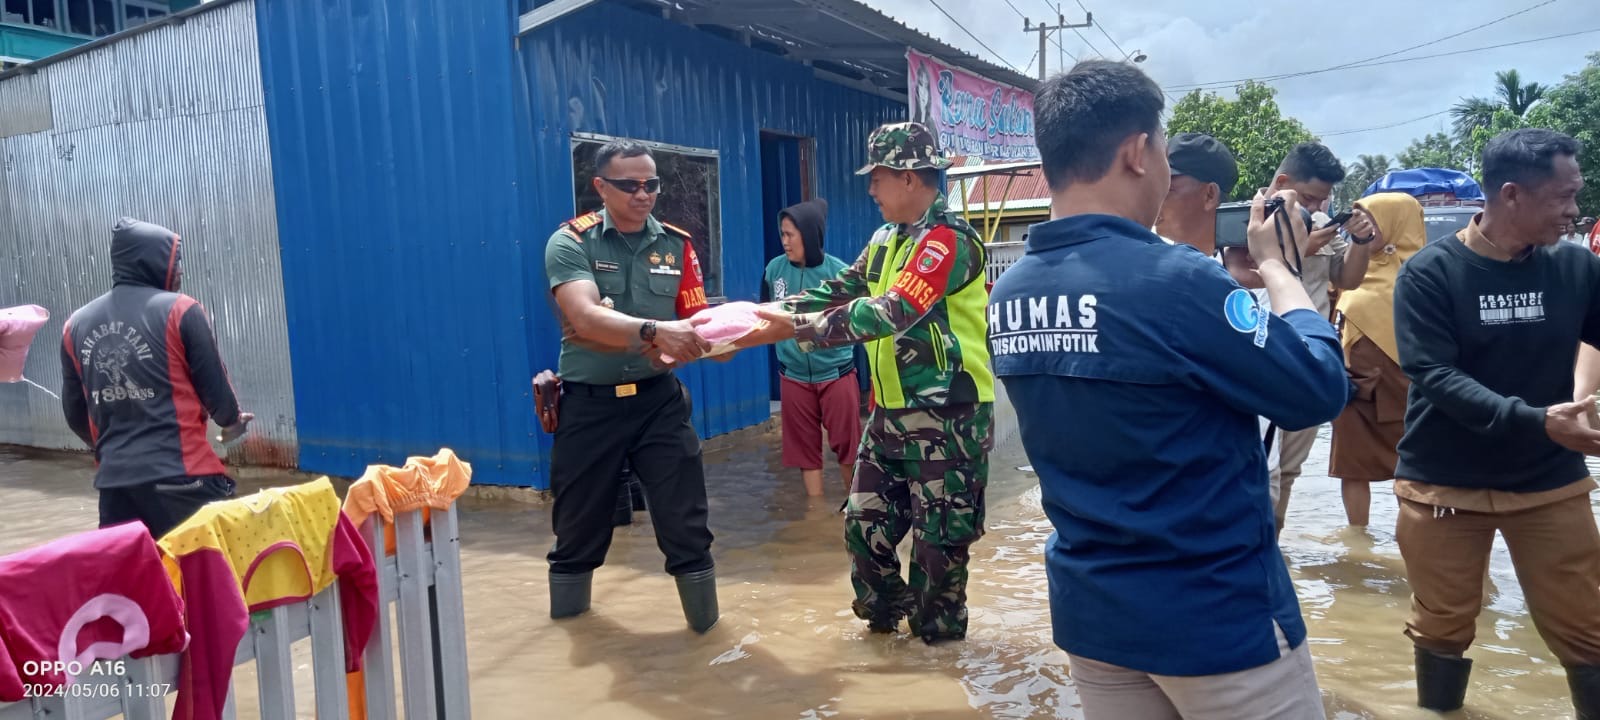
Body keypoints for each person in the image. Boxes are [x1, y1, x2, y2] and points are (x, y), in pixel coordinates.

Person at [990, 60, 1348, 719]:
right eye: (1161, 145)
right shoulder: (1175, 280)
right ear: (1136, 152)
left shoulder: (1011, 293)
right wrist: (1278, 269)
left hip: (1095, 617)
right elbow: (1318, 388)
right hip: (1215, 620)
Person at [738, 121, 994, 644]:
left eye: (876, 178)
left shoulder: (949, 241)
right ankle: (886, 636)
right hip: (888, 415)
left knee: (937, 552)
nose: (870, 190)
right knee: (863, 527)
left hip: (948, 418)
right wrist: (757, 315)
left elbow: (891, 312)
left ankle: (935, 656)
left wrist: (792, 329)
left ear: (907, 177)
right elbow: (841, 288)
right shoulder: (885, 240)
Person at [1391, 128, 1600, 716]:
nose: (1574, 210)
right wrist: (1538, 421)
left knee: (1587, 627)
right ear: (1511, 195)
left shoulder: (1577, 268)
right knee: (1443, 625)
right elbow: (1435, 375)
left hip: (1549, 480)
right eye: (1563, 197)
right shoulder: (1431, 273)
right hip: (1445, 480)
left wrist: (1577, 404)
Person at [542, 139, 729, 633]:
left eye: (651, 184)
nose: (642, 194)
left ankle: (708, 639)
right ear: (601, 186)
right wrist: (652, 332)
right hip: (588, 406)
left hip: (657, 403)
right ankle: (572, 631)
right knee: (577, 530)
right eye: (629, 185)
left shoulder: (676, 244)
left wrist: (748, 328)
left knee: (686, 522)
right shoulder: (571, 242)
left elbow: (698, 321)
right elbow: (582, 316)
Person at [60, 217, 252, 539]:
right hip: (184, 481)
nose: (179, 272)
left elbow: (75, 414)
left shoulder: (74, 325)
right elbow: (220, 401)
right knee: (208, 582)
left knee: (133, 585)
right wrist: (234, 423)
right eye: (175, 262)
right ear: (152, 262)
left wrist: (117, 451)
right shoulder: (182, 310)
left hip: (116, 489)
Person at [1225, 141, 1375, 533]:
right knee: (1253, 463)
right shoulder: (1245, 220)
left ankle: (1273, 545)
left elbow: (1348, 278)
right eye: (1309, 198)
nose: (1315, 208)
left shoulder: (1323, 221)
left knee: (1287, 469)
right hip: (1259, 355)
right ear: (1283, 182)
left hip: (1308, 356)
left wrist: (1360, 242)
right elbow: (1247, 274)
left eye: (1322, 200)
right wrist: (1301, 244)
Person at [1327, 192, 1425, 527]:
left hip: (1405, 387)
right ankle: (1357, 540)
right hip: (1355, 386)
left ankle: (1414, 536)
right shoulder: (1346, 271)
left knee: (1413, 467)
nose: (1360, 224)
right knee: (1352, 467)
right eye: (1356, 216)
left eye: (1369, 218)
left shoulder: (1424, 277)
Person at [762, 198, 860, 497]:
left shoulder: (841, 274)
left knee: (848, 447)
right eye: (782, 234)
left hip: (836, 374)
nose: (785, 242)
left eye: (790, 234)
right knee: (805, 452)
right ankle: (815, 517)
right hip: (793, 376)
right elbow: (764, 316)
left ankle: (855, 510)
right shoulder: (774, 270)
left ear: (809, 234)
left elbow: (857, 326)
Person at [1155, 131, 1239, 257]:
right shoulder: (1146, 254)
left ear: (1210, 195)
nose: (1155, 200)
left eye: (1167, 190)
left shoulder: (1244, 269)